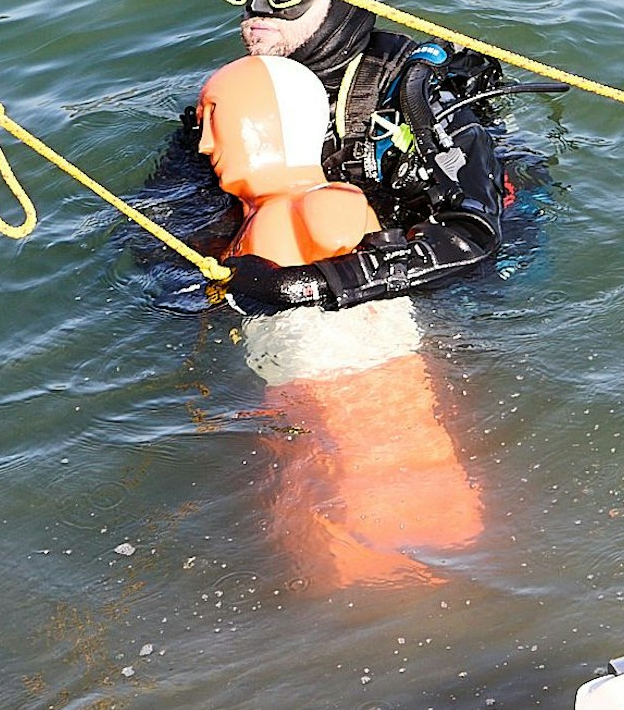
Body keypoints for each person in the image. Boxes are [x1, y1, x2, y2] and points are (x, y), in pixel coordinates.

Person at [198, 54, 483, 589]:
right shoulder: (267, 215)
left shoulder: (321, 205)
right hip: (319, 400)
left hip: (358, 414)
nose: (205, 145)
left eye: (215, 122)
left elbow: (351, 260)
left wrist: (288, 285)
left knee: (353, 519)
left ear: (270, 128)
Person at [203, 0, 525, 312]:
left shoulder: (417, 96)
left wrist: (316, 285)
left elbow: (473, 239)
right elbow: (175, 212)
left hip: (456, 281)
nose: (257, 3)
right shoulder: (241, 94)